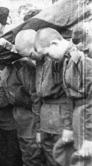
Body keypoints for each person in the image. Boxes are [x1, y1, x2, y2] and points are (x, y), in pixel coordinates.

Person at [34, 27, 92, 165]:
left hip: (86, 121)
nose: (48, 58)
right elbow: (70, 98)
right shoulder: (67, 60)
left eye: (47, 54)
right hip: (79, 120)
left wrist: (89, 139)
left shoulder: (82, 60)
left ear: (54, 43)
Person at [15, 28, 70, 166]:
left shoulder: (60, 60)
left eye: (31, 54)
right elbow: (38, 99)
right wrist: (39, 130)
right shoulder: (38, 63)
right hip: (47, 125)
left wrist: (69, 128)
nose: (29, 59)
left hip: (62, 125)